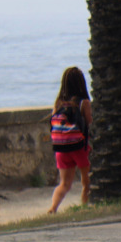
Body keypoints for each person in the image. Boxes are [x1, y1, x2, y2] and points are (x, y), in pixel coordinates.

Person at [48, 66, 92, 213]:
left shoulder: (58, 103)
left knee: (64, 184)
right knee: (86, 182)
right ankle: (85, 207)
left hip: (61, 149)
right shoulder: (83, 102)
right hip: (79, 147)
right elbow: (89, 122)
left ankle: (53, 208)